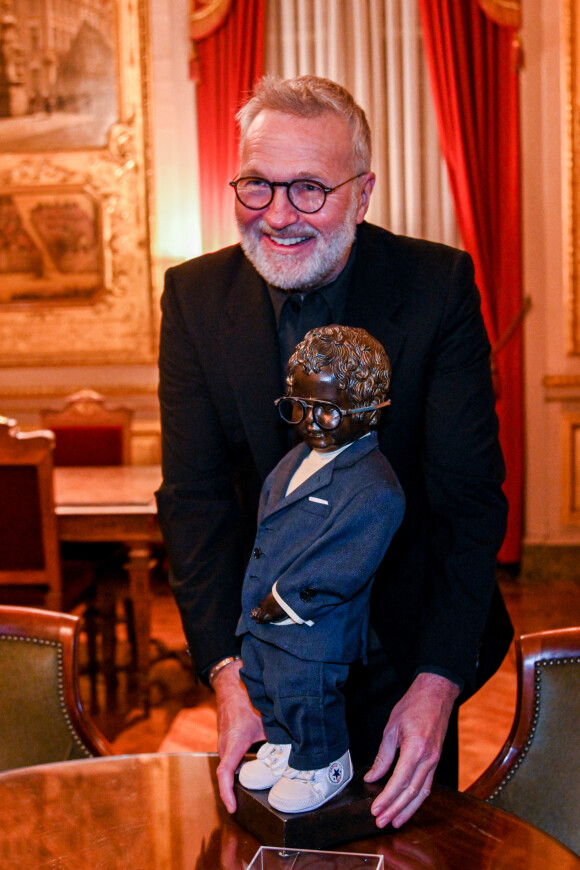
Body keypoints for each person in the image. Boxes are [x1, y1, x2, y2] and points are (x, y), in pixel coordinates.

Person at [156, 74, 513, 829]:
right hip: (263, 660)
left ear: (363, 193)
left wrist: (437, 683)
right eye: (258, 185)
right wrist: (228, 676)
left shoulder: (435, 285)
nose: (278, 215)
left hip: (404, 650)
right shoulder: (193, 297)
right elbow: (196, 504)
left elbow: (467, 502)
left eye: (310, 189)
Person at [237, 325, 405, 813]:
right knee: (263, 682)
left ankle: (323, 764)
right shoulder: (294, 459)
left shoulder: (375, 486)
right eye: (299, 407)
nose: (311, 422)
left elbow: (345, 560)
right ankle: (284, 747)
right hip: (263, 614)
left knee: (305, 695)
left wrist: (288, 600)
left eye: (327, 411)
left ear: (370, 409)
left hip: (314, 627)